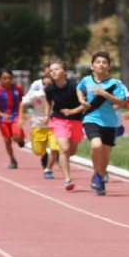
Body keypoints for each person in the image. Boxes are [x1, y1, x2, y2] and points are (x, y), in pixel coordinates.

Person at [76, 51, 128, 196]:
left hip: (110, 122)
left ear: (109, 67)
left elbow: (121, 102)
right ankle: (96, 174)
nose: (101, 64)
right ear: (92, 66)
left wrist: (104, 94)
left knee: (105, 154)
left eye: (104, 62)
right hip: (91, 118)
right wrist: (81, 100)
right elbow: (79, 90)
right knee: (96, 145)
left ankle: (100, 177)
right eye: (98, 62)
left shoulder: (115, 84)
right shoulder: (86, 80)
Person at [43, 59, 86, 190]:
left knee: (71, 152)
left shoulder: (75, 87)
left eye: (56, 69)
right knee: (64, 149)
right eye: (51, 70)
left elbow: (84, 104)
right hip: (58, 120)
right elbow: (49, 102)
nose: (53, 72)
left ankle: (62, 160)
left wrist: (72, 111)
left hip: (76, 120)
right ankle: (67, 179)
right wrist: (46, 115)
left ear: (65, 72)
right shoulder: (49, 88)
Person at [17, 73, 59, 179]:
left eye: (49, 84)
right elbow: (23, 103)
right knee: (38, 151)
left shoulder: (58, 95)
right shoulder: (36, 95)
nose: (47, 87)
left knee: (54, 149)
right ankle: (44, 154)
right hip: (38, 125)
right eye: (44, 84)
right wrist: (21, 118)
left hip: (54, 126)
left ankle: (48, 169)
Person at [0, 68, 26, 169]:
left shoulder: (17, 89)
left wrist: (22, 114)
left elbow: (23, 101)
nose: (7, 80)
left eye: (9, 78)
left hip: (16, 117)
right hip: (3, 119)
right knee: (7, 141)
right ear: (0, 79)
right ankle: (12, 159)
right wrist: (2, 114)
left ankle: (20, 139)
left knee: (16, 136)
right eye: (4, 78)